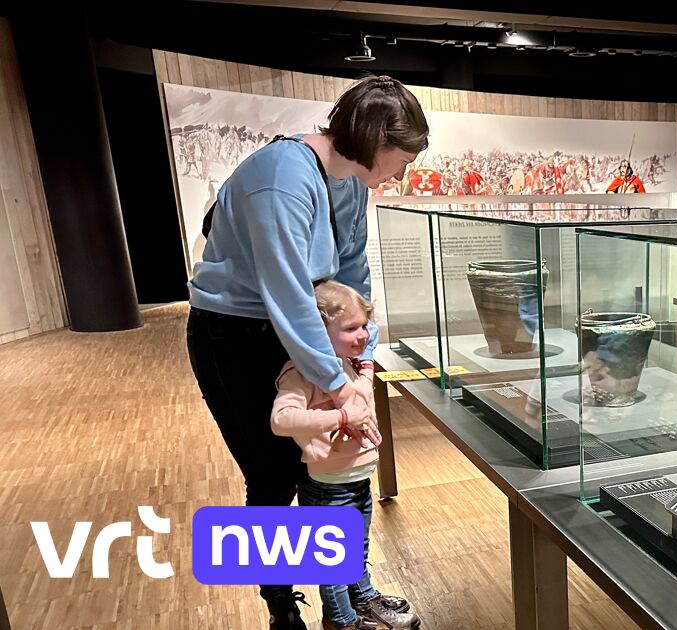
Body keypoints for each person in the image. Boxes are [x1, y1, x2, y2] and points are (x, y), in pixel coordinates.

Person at [186, 75, 429, 630]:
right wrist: (339, 388)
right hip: (235, 337)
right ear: (375, 140)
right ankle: (282, 610)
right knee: (271, 476)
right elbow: (287, 293)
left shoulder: (350, 182)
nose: (400, 174)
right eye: (401, 159)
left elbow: (351, 275)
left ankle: (347, 600)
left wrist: (359, 353)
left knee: (325, 474)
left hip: (299, 328)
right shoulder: (281, 177)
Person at [271, 281, 421, 630]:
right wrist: (339, 417)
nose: (363, 335)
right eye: (351, 328)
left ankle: (363, 597)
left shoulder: (346, 365)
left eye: (364, 325)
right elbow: (282, 419)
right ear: (316, 331)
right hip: (329, 488)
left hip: (356, 481)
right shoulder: (300, 373)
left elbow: (359, 400)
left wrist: (365, 372)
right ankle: (342, 620)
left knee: (357, 548)